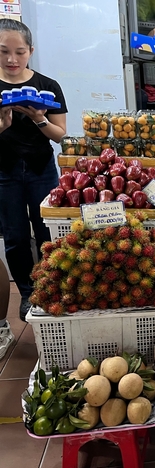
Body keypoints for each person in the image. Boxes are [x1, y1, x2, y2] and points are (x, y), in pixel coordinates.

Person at [0, 19, 67, 321]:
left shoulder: (48, 86)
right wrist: (2, 125)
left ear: (31, 51)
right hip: (5, 172)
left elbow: (60, 134)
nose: (12, 60)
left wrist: (39, 118)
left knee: (47, 232)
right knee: (14, 237)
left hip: (41, 169)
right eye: (3, 52)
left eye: (19, 52)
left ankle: (52, 286)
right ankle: (27, 293)